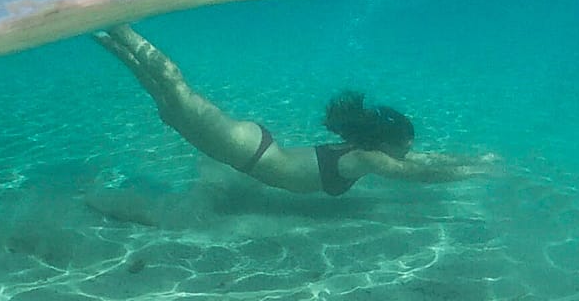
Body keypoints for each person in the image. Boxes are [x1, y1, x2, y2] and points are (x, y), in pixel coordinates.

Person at [95, 25, 487, 196]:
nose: (407, 152)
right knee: (175, 90)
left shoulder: (364, 151)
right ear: (389, 145)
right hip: (247, 150)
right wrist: (471, 172)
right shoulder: (370, 158)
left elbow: (419, 160)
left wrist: (476, 159)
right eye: (405, 146)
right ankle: (120, 27)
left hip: (254, 148)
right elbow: (415, 174)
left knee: (164, 100)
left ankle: (107, 36)